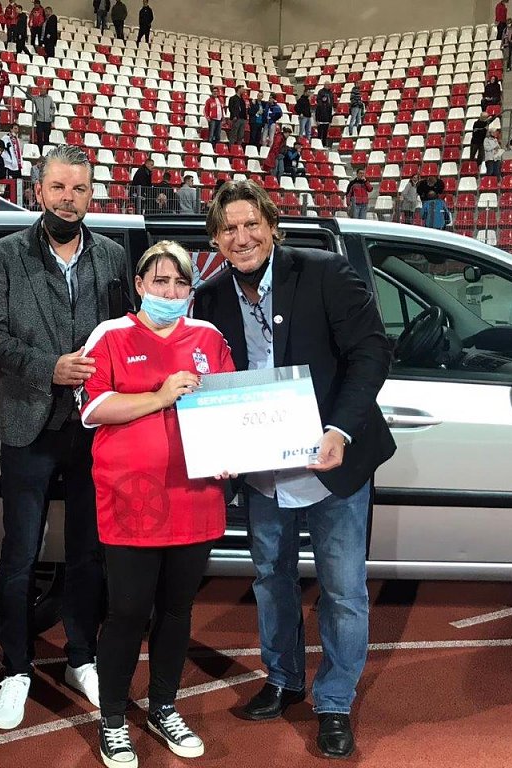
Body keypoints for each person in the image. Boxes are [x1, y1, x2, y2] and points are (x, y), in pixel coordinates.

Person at [191, 179, 394, 761]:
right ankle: (283, 680)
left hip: (332, 461)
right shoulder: (210, 297)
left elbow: (371, 351)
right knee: (270, 580)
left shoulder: (325, 272)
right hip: (261, 470)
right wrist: (215, 443)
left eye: (251, 224)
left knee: (343, 590)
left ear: (273, 227)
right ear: (216, 240)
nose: (242, 237)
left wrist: (340, 429)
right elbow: (208, 381)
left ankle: (334, 702)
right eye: (228, 229)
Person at [0, 144, 133, 731]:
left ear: (91, 195)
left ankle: (80, 657)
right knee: (19, 555)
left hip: (95, 429)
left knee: (88, 554)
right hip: (29, 427)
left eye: (80, 189)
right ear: (39, 191)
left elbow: (125, 332)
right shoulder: (3, 255)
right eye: (59, 188)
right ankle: (16, 669)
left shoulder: (113, 256)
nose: (69, 200)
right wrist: (51, 368)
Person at [78, 242, 234, 767]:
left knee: (176, 611)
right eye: (160, 281)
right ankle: (113, 720)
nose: (170, 291)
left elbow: (230, 404)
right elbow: (95, 408)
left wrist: (233, 450)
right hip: (133, 501)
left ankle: (164, 707)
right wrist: (161, 397)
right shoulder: (110, 335)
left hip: (195, 498)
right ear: (140, 285)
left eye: (180, 282)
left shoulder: (208, 337)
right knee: (126, 612)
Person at [315, 81, 335, 147]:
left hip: (326, 121)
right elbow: (317, 113)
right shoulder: (320, 92)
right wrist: (317, 120)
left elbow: (330, 114)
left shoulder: (331, 93)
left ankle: (324, 145)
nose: (329, 86)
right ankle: (318, 145)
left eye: (329, 85)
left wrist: (330, 121)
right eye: (328, 85)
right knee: (319, 134)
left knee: (325, 134)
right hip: (320, 121)